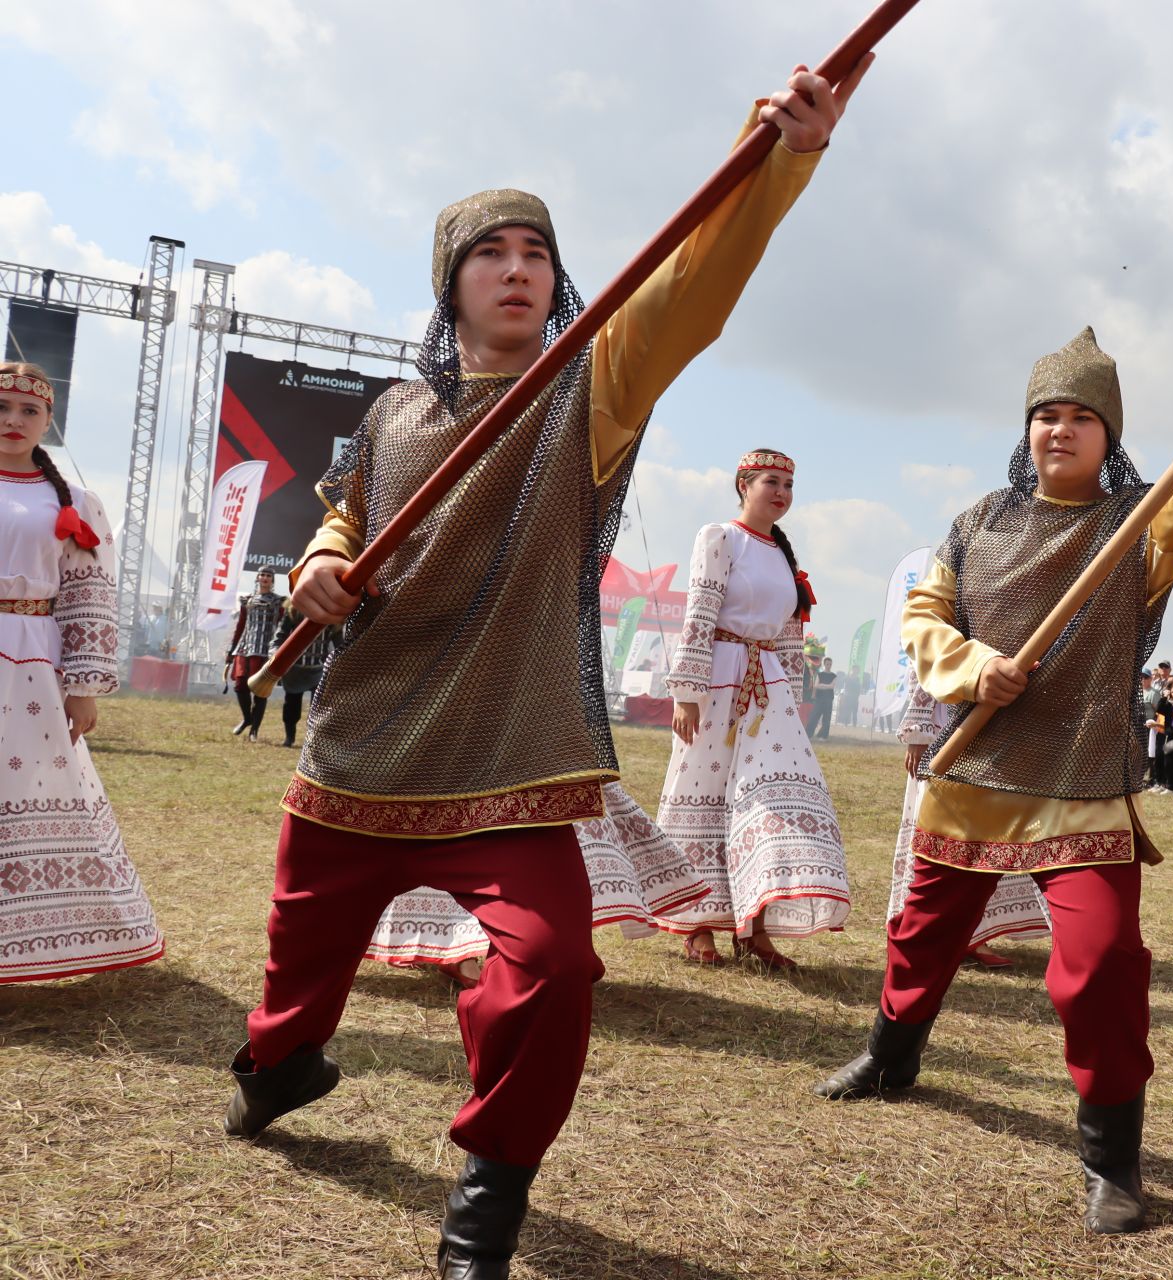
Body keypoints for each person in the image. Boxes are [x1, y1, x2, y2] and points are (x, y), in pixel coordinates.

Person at [222, 64, 867, 1280]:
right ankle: (278, 1065)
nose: (518, 267)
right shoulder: (395, 410)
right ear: (450, 280)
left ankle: (486, 1206)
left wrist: (776, 162)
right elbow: (340, 516)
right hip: (364, 740)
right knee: (295, 976)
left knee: (553, 966)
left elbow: (689, 297)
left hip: (516, 742)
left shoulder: (590, 392)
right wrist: (320, 561)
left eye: (537, 250)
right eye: (490, 252)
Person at [815, 330, 1173, 1235]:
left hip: (1082, 784)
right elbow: (924, 616)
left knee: (1104, 968)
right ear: (1025, 430)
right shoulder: (977, 522)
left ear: (1110, 437)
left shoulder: (1142, 526)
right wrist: (969, 668)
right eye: (1046, 416)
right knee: (921, 941)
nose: (1061, 432)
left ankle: (1111, 1159)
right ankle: (890, 1058)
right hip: (976, 774)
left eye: (1082, 419)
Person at [652, 449, 848, 969]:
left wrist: (789, 698)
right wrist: (687, 693)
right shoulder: (719, 537)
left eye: (788, 484)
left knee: (767, 802)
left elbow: (787, 634)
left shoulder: (784, 555)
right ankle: (698, 923)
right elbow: (700, 611)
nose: (781, 493)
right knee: (706, 792)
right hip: (718, 676)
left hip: (768, 689)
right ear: (743, 485)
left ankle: (754, 923)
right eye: (770, 482)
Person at [0, 362, 164, 983]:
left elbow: (89, 595)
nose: (14, 421)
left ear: (48, 421)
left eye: (29, 411)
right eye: (1, 408)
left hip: (33, 667)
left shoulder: (71, 500)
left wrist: (84, 687)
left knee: (33, 790)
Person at [365, 782, 710, 985]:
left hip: (541, 705)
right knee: (460, 806)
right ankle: (456, 945)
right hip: (461, 695)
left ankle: (548, 946)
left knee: (551, 816)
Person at [887, 667, 1049, 968]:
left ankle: (972, 930)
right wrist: (919, 728)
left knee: (986, 829)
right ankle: (955, 932)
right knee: (951, 829)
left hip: (991, 715)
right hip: (951, 720)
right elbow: (927, 655)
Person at [226, 569, 285, 740]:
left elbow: (282, 627)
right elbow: (241, 626)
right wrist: (231, 649)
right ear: (258, 578)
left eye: (268, 576)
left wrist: (279, 650)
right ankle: (247, 719)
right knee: (240, 686)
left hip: (265, 648)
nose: (265, 578)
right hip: (245, 646)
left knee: (260, 690)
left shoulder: (278, 602)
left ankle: (254, 731)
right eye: (263, 575)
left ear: (272, 580)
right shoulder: (248, 601)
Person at [271, 604, 338, 748]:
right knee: (291, 706)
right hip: (294, 668)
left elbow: (338, 641)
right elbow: (279, 637)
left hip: (320, 669)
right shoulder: (293, 609)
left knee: (318, 708)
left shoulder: (332, 610)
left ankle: (312, 740)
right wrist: (275, 657)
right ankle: (289, 737)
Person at [807, 655, 838, 740]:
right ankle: (808, 734)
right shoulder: (819, 674)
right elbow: (816, 685)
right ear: (824, 664)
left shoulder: (834, 676)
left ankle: (823, 736)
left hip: (828, 699)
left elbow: (832, 686)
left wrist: (822, 685)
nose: (829, 665)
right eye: (827, 664)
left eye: (830, 664)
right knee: (814, 717)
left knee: (827, 718)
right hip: (819, 698)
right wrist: (826, 686)